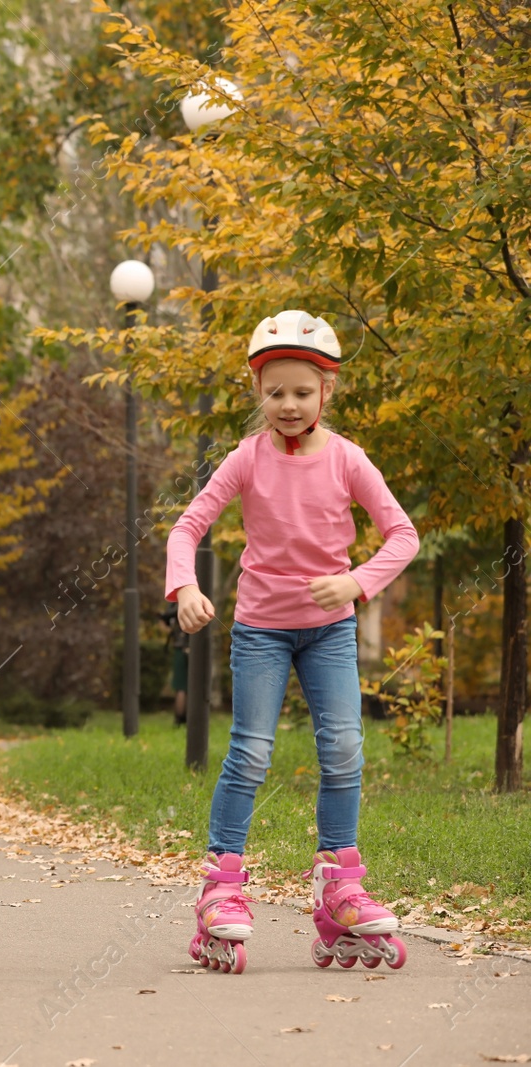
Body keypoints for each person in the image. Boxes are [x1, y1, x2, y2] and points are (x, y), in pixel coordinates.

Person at [167, 310, 418, 974]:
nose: (287, 403)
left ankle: (341, 886)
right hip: (261, 629)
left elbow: (403, 534)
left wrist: (357, 583)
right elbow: (187, 528)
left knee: (343, 747)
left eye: (301, 391)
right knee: (250, 751)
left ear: (326, 393)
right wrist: (184, 589)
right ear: (259, 393)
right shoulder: (246, 458)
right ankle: (221, 886)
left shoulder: (346, 458)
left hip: (329, 629)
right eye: (274, 391)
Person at [160, 600, 190, 725]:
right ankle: (183, 719)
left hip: (180, 646)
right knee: (186, 687)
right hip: (190, 646)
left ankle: (179, 719)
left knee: (181, 687)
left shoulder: (173, 604)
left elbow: (163, 620)